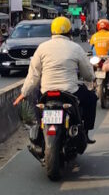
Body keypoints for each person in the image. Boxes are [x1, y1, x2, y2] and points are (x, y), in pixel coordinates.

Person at [14, 16, 97, 148]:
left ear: (52, 31)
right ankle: (85, 132)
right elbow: (88, 73)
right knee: (91, 98)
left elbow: (33, 76)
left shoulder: (42, 48)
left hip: (46, 91)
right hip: (70, 91)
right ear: (69, 32)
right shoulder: (75, 48)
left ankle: (39, 128)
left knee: (37, 102)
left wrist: (23, 94)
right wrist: (92, 79)